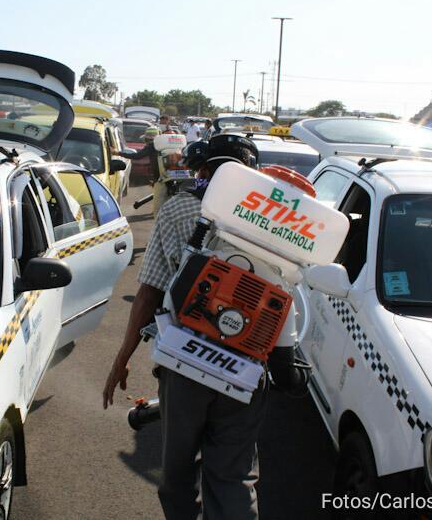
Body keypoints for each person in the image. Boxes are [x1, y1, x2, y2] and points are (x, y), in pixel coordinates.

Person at [102, 133, 308, 520]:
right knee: (233, 477)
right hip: (247, 370)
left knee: (178, 474)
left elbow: (149, 292)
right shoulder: (271, 220)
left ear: (201, 170)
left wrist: (122, 358)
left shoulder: (179, 208)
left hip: (184, 365)